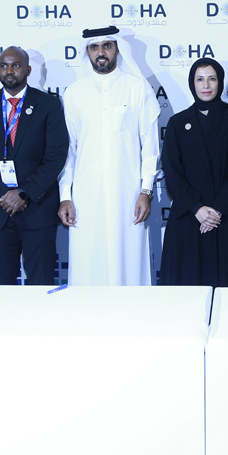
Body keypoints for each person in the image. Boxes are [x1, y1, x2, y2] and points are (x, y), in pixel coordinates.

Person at [57, 26, 161, 285]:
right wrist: (65, 197)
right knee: (87, 261)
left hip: (128, 195)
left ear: (117, 49)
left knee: (128, 260)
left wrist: (145, 191)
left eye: (107, 46)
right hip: (85, 196)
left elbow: (150, 145)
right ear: (87, 53)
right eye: (94, 47)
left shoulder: (137, 88)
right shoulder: (74, 93)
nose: (101, 52)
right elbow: (68, 149)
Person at [0, 46, 68, 285]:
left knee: (41, 282)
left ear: (28, 70)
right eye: (4, 65)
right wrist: (3, 194)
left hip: (37, 210)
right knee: (2, 285)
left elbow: (55, 156)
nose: (9, 71)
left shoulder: (48, 105)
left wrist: (24, 193)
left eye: (16, 65)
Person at [159, 58, 228, 287]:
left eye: (212, 78)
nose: (206, 85)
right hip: (188, 218)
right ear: (192, 83)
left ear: (219, 82)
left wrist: (216, 212)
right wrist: (197, 209)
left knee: (227, 293)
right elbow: (172, 172)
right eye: (200, 79)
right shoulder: (177, 123)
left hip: (225, 218)